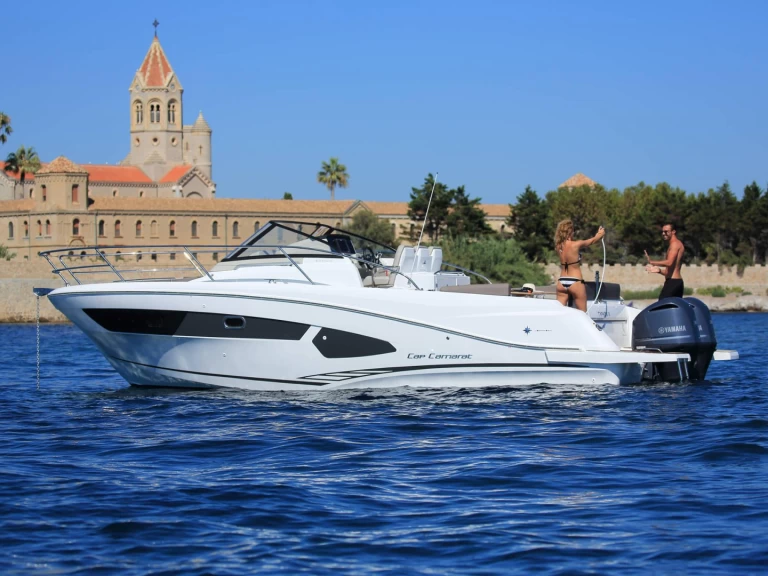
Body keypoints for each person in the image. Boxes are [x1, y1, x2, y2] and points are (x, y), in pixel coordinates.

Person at [554, 219, 605, 312]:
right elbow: (592, 241)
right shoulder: (576, 245)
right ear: (570, 231)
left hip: (562, 281)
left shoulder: (558, 246)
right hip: (575, 281)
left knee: (559, 313)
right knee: (583, 314)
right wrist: (600, 234)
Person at [645, 223, 685, 299]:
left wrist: (652, 262)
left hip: (673, 283)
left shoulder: (675, 244)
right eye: (663, 232)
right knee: (672, 309)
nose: (663, 234)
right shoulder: (673, 245)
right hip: (675, 282)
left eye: (666, 231)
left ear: (673, 232)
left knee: (661, 306)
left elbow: (669, 263)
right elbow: (668, 272)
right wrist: (659, 270)